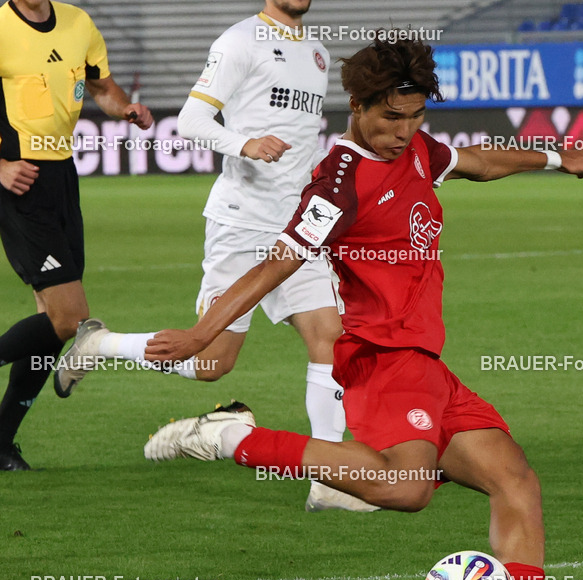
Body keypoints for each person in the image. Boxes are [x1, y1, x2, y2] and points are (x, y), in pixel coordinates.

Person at [141, 37, 583, 580]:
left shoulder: (416, 152)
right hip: (380, 355)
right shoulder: (338, 180)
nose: (405, 131)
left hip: (425, 362)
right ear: (357, 106)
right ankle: (232, 438)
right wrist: (201, 334)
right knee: (407, 489)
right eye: (391, 117)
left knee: (514, 479)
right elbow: (277, 263)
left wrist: (551, 161)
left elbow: (476, 162)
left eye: (415, 117)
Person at [51, 0, 368, 511]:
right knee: (212, 363)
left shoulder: (317, 53)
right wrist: (245, 144)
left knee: (330, 338)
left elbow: (305, 141)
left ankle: (328, 480)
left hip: (297, 227)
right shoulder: (240, 40)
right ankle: (101, 344)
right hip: (241, 221)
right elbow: (192, 121)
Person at [0, 0, 152, 471]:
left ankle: (2, 442)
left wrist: (123, 107)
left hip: (62, 177)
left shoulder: (78, 22)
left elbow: (101, 87)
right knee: (70, 319)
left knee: (49, 322)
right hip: (20, 177)